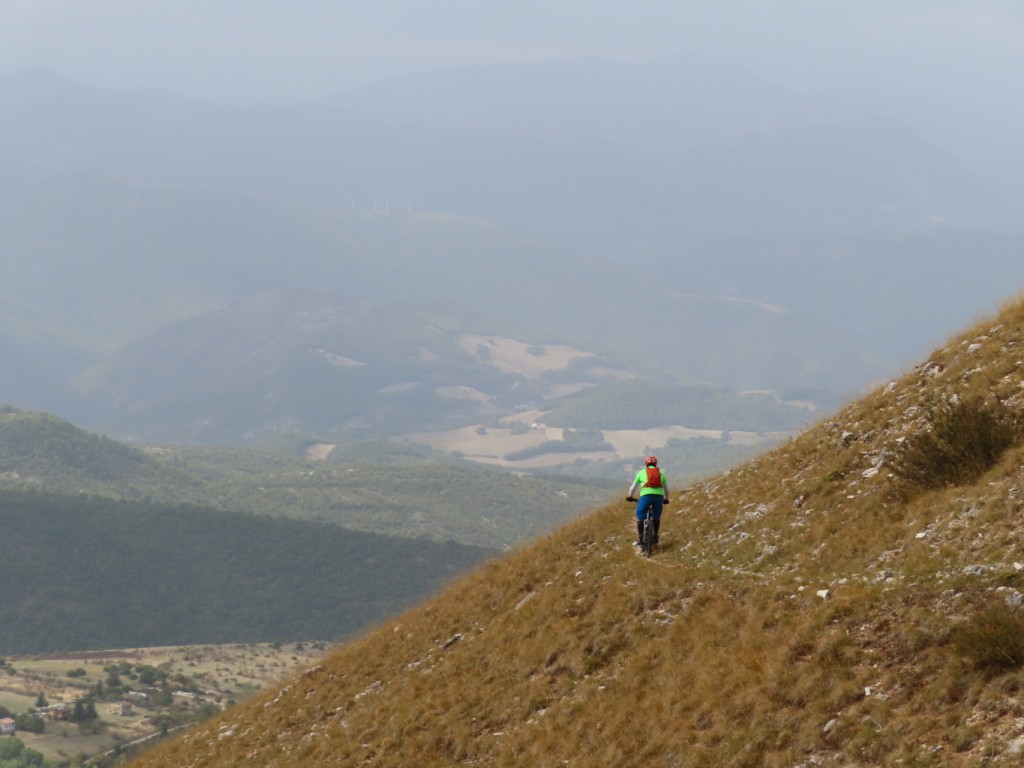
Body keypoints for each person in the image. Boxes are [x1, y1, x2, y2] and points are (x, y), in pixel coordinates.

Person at [626, 455, 670, 547]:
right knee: (656, 517)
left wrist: (630, 496)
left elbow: (633, 487)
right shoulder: (661, 473)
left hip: (645, 496)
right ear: (656, 463)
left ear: (646, 464)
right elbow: (666, 489)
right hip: (658, 497)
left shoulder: (641, 472)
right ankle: (655, 536)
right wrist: (666, 498)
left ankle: (641, 540)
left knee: (640, 516)